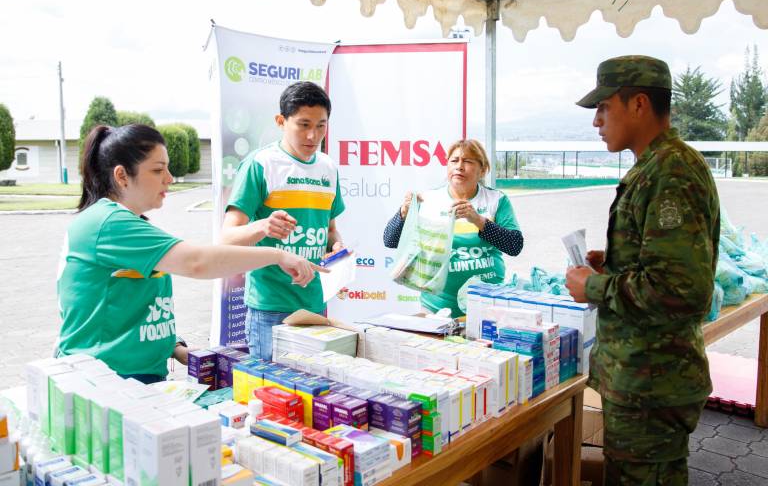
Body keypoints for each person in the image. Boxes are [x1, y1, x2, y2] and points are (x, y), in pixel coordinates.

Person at [56, 124, 322, 384]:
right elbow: (197, 263)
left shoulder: (125, 223)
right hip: (104, 381)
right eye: (158, 170)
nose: (169, 178)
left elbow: (128, 305)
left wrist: (175, 346)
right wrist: (276, 255)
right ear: (122, 176)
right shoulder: (109, 224)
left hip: (135, 376)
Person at [564, 55, 720, 485]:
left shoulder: (669, 171)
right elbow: (660, 266)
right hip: (643, 379)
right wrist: (611, 264)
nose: (597, 121)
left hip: (653, 382)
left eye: (603, 107)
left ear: (638, 105)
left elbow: (681, 289)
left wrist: (595, 286)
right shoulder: (656, 166)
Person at [221, 81, 345, 360]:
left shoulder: (328, 168)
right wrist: (263, 226)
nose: (313, 135)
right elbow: (226, 237)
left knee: (311, 395)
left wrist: (337, 249)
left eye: (321, 126)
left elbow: (331, 231)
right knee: (271, 395)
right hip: (269, 307)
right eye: (303, 124)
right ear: (281, 121)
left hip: (314, 304)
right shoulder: (260, 164)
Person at [383, 139, 523, 317]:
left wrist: (478, 220)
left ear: (482, 169)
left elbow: (515, 245)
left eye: (468, 161)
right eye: (454, 161)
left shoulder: (496, 200)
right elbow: (390, 240)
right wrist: (403, 213)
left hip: (487, 304)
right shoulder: (428, 199)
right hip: (436, 306)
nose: (460, 166)